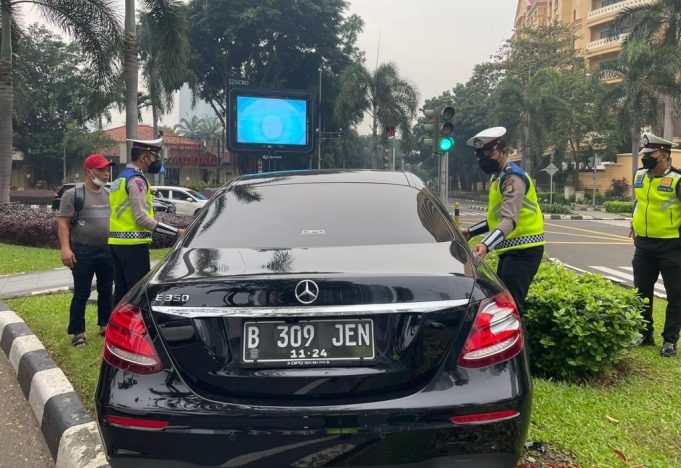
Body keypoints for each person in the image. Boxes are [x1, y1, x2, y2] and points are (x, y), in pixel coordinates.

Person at [460, 127, 546, 317]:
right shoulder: (499, 177)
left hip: (524, 251)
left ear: (504, 152)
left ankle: (519, 347)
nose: (483, 159)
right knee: (502, 306)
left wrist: (485, 245)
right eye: (480, 155)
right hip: (512, 251)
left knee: (511, 311)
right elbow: (497, 218)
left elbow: (509, 220)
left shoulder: (512, 178)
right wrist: (472, 232)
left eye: (489, 153)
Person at [109, 138, 185, 306]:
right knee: (138, 293)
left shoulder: (119, 179)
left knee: (121, 291)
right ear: (144, 158)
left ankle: (117, 329)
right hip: (133, 244)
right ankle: (135, 329)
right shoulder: (137, 181)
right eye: (154, 158)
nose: (156, 162)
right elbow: (142, 218)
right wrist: (176, 232)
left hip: (116, 243)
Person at [630, 132, 680, 358]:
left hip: (672, 246)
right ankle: (644, 333)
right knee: (642, 292)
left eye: (651, 154)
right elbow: (639, 203)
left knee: (675, 295)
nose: (645, 158)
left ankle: (670, 340)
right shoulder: (639, 175)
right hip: (644, 246)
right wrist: (634, 222)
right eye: (644, 154)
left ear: (665, 156)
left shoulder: (678, 180)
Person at [57, 154, 115, 347]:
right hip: (83, 252)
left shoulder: (109, 194)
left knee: (106, 290)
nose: (106, 174)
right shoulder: (74, 194)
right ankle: (78, 332)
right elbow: (63, 223)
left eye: (107, 170)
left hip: (107, 251)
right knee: (81, 292)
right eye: (102, 170)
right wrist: (65, 248)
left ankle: (105, 326)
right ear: (89, 172)